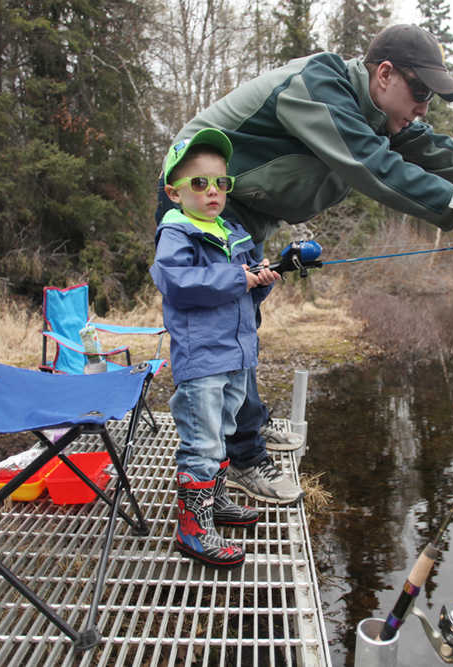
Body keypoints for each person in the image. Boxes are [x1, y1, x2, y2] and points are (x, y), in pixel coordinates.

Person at [155, 24, 453, 505]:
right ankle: (243, 456)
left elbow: (442, 154)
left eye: (429, 99)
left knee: (244, 320)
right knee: (221, 330)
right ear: (385, 75)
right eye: (419, 92)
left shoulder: (379, 116)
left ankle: (246, 425)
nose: (422, 107)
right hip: (197, 197)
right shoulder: (320, 85)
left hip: (240, 211)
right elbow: (376, 168)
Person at [150, 128, 282, 567]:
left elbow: (241, 293)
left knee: (222, 434)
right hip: (202, 360)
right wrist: (236, 278)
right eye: (199, 183)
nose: (212, 192)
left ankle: (216, 502)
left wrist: (260, 280)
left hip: (236, 355)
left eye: (221, 183)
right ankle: (192, 529)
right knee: (201, 443)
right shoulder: (177, 233)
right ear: (174, 192)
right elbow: (177, 283)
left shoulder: (232, 231)